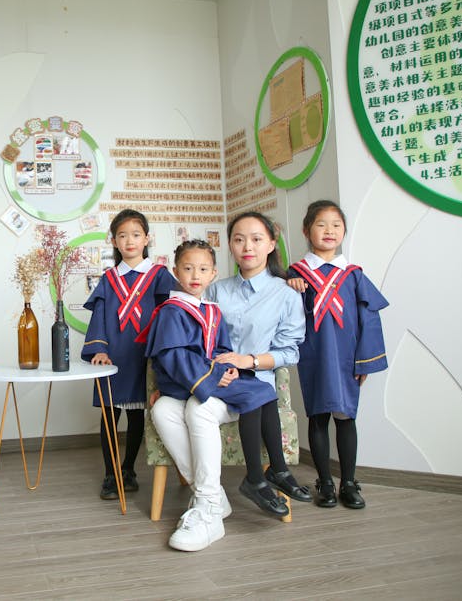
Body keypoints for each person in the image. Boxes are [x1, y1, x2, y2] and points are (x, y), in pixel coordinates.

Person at [141, 240, 279, 552]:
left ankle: (208, 508)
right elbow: (174, 358)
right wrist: (214, 375)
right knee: (162, 409)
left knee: (196, 409)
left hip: (214, 391)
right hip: (201, 384)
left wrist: (227, 369)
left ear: (213, 273)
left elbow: (220, 351)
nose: (194, 275)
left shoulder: (213, 312)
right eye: (187, 268)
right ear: (175, 272)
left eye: (203, 269)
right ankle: (213, 496)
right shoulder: (171, 312)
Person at [286, 200, 389, 509]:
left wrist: (365, 360)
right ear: (306, 230)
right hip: (314, 356)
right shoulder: (296, 274)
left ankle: (348, 482)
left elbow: (369, 318)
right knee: (317, 417)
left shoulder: (353, 274)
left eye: (336, 225)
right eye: (321, 224)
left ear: (344, 231)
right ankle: (325, 482)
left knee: (346, 418)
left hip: (346, 358)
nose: (329, 230)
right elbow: (285, 314)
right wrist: (289, 288)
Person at [205, 211, 309, 513]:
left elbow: (290, 352)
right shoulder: (216, 290)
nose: (247, 246)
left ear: (271, 244)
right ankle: (273, 472)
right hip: (221, 377)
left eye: (256, 239)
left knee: (259, 387)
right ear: (230, 246)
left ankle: (269, 474)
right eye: (238, 240)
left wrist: (249, 360)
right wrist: (226, 364)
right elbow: (201, 337)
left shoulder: (286, 293)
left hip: (258, 376)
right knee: (258, 392)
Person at [81, 209, 174, 499]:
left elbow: (170, 315)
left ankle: (128, 469)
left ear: (147, 238)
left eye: (135, 234)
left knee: (137, 417)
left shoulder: (159, 275)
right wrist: (99, 349)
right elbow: (99, 318)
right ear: (114, 241)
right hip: (112, 358)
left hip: (144, 357)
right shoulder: (109, 279)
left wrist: (163, 353)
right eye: (122, 235)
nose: (129, 240)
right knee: (109, 416)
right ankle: (110, 476)